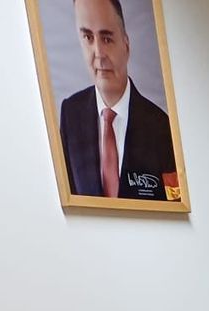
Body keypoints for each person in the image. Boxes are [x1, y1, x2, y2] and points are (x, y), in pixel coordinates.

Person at [59, 0, 176, 202]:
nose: (98, 53)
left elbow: (175, 209)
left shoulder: (161, 127)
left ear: (126, 44)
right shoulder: (70, 114)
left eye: (106, 39)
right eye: (88, 37)